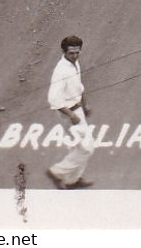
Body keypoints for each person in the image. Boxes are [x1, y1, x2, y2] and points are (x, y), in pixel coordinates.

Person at [46, 36, 96, 189]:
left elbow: (79, 86)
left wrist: (85, 105)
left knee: (81, 147)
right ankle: (57, 172)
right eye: (71, 53)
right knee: (87, 148)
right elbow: (53, 99)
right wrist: (70, 115)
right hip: (68, 113)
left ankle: (73, 180)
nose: (74, 56)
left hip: (77, 109)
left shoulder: (74, 63)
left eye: (77, 53)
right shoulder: (60, 71)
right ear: (64, 52)